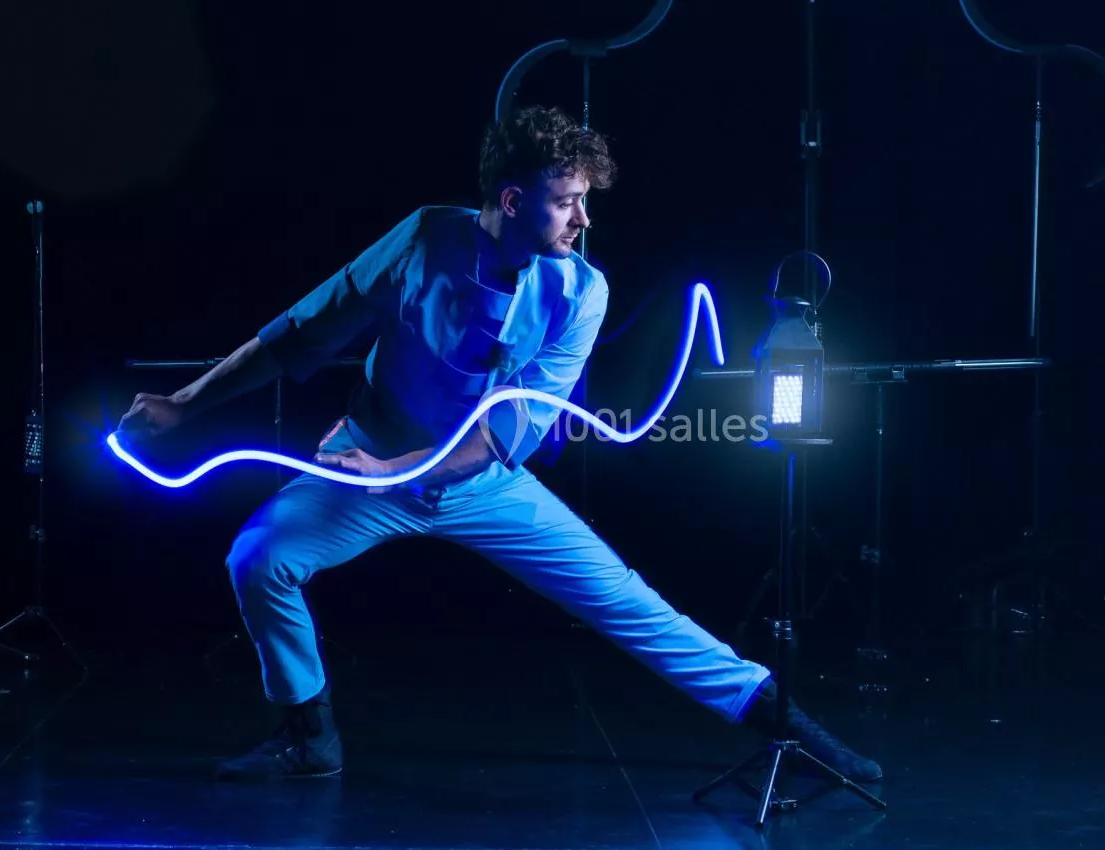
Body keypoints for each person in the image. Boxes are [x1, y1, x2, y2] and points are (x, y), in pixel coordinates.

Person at [116, 105, 883, 784]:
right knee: (260, 558)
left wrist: (399, 471)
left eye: (585, 201)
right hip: (364, 459)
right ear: (513, 201)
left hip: (481, 482)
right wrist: (184, 405)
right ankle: (308, 737)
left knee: (627, 603)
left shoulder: (582, 291)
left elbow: (506, 432)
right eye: (567, 201)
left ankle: (789, 728)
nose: (583, 220)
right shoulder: (423, 238)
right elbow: (299, 333)